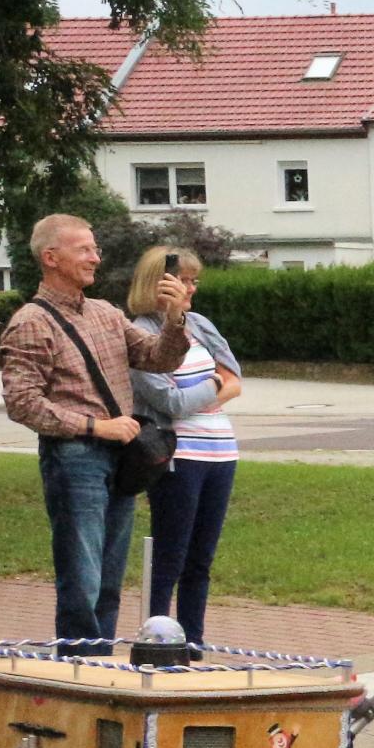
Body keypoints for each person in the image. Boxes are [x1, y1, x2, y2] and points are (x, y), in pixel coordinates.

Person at [0, 213, 192, 655]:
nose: (95, 257)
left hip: (122, 458)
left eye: (95, 248)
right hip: (74, 458)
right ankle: (79, 671)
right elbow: (22, 403)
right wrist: (95, 425)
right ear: (51, 257)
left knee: (108, 578)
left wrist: (175, 317)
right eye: (84, 249)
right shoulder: (31, 322)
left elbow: (157, 359)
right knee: (81, 579)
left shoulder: (105, 312)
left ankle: (100, 667)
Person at [127, 246, 242, 646]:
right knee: (170, 557)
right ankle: (158, 642)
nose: (191, 289)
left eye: (195, 281)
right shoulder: (140, 334)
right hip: (179, 457)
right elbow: (169, 402)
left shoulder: (201, 325)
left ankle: (193, 645)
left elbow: (237, 379)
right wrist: (212, 383)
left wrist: (207, 386)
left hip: (221, 453)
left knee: (201, 561)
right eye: (184, 281)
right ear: (159, 283)